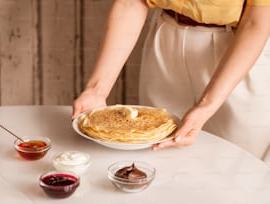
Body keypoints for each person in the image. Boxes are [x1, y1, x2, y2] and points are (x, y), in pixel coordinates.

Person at [72, 0, 270, 163]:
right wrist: (97, 90)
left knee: (241, 164)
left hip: (239, 51)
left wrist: (206, 106)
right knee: (161, 160)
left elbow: (256, 22)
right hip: (165, 39)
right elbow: (130, 3)